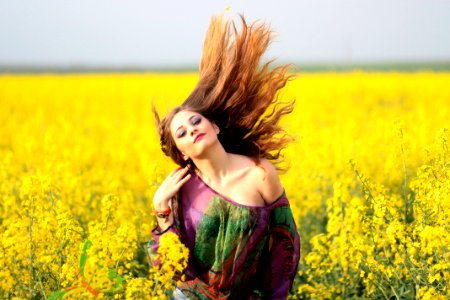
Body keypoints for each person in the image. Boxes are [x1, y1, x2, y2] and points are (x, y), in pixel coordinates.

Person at [148, 13, 300, 300]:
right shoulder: (181, 188)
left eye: (196, 122)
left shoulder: (260, 173)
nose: (191, 131)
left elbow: (284, 244)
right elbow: (172, 270)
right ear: (181, 152)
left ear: (214, 125)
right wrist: (161, 209)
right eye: (181, 133)